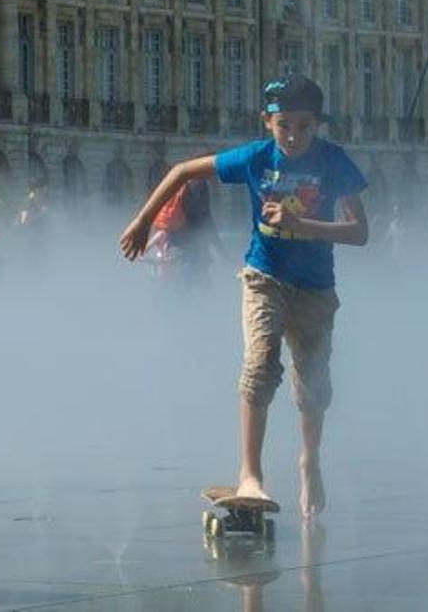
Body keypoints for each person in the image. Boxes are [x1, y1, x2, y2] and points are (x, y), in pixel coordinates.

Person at [120, 75, 369, 519]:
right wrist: (142, 221)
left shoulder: (334, 162)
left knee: (313, 387)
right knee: (260, 364)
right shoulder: (256, 157)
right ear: (268, 122)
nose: (293, 136)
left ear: (318, 126)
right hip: (263, 274)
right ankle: (250, 473)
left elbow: (360, 232)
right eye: (284, 125)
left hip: (315, 287)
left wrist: (303, 226)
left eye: (304, 126)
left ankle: (310, 460)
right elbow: (181, 172)